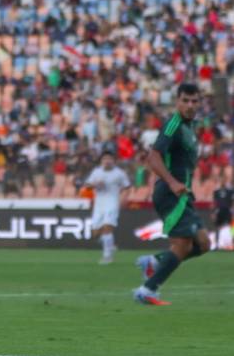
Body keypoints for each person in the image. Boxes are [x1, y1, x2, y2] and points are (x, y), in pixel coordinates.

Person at [134, 83, 211, 306]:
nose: (190, 105)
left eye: (194, 101)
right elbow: (154, 156)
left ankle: (154, 262)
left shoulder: (189, 126)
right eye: (185, 100)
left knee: (203, 244)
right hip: (171, 193)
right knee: (183, 245)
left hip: (183, 194)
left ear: (199, 102)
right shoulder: (173, 124)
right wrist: (172, 182)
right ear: (177, 101)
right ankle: (147, 290)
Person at [84, 151, 130, 264]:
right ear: (101, 161)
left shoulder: (119, 173)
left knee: (107, 227)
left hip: (112, 203)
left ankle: (107, 256)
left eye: (110, 159)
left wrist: (123, 199)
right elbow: (87, 186)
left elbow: (127, 187)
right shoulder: (96, 172)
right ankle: (109, 243)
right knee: (95, 233)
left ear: (114, 161)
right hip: (99, 205)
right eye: (105, 159)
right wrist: (95, 184)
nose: (107, 161)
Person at [212, 177, 234, 250]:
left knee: (232, 226)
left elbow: (232, 201)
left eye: (224, 180)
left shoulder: (230, 191)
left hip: (228, 211)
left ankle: (232, 243)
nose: (223, 181)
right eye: (221, 180)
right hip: (219, 211)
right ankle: (217, 244)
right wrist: (213, 212)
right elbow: (214, 203)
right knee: (217, 227)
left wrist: (232, 211)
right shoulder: (216, 191)